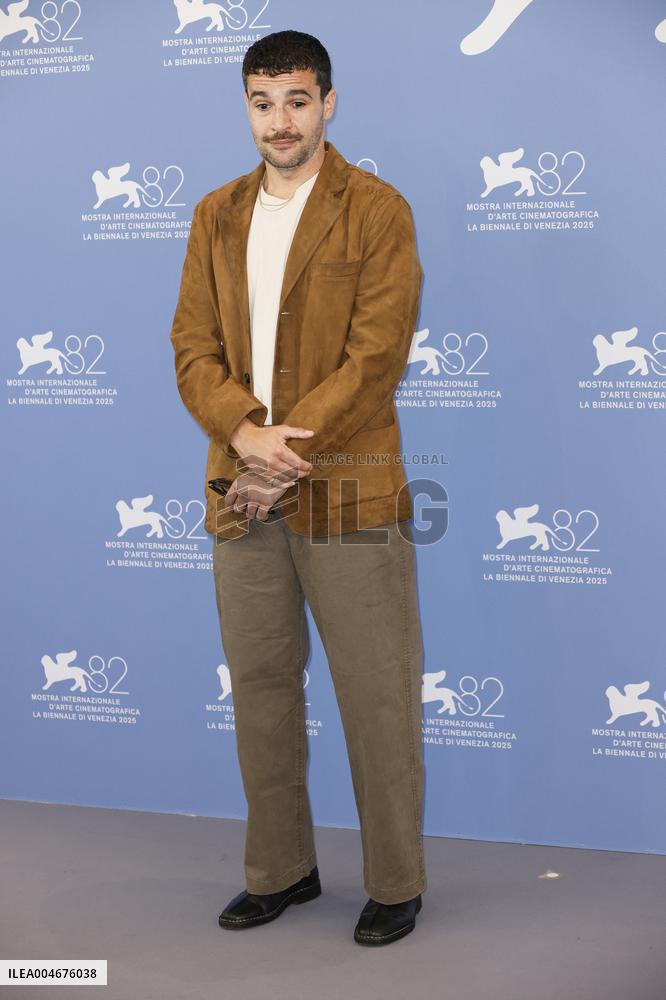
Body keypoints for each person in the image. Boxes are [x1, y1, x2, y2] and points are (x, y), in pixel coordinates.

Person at [169, 29, 427, 946]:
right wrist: (244, 433)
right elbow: (191, 347)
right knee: (262, 686)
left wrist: (280, 453)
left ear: (328, 103)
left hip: (348, 494)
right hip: (239, 495)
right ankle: (282, 869)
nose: (280, 120)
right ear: (247, 107)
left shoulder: (378, 210)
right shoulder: (215, 214)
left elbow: (376, 357)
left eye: (297, 100)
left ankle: (396, 882)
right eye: (262, 101)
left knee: (376, 693)